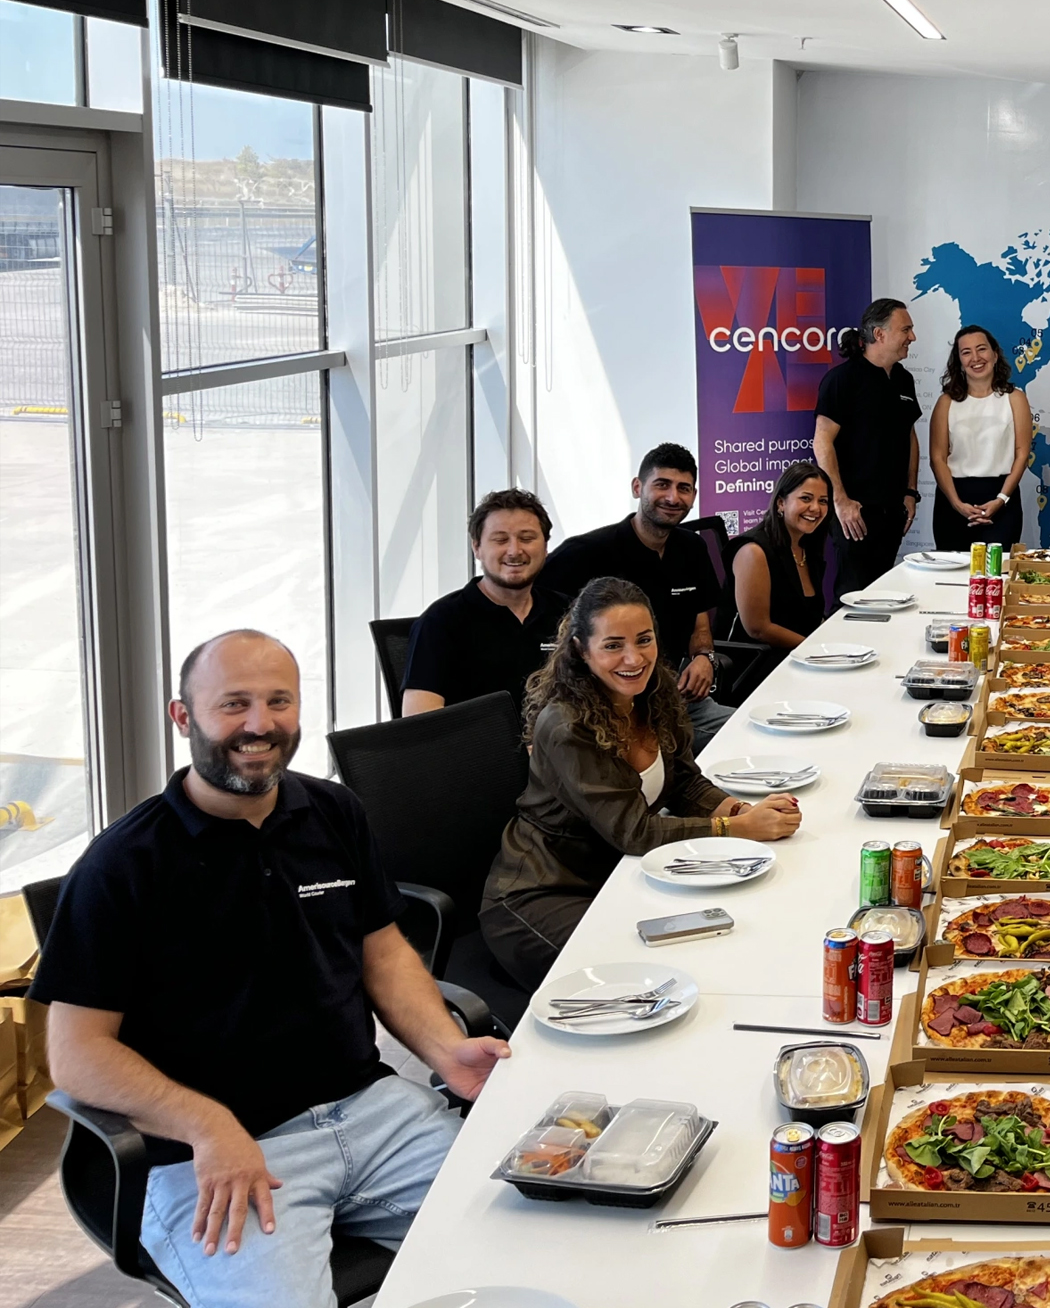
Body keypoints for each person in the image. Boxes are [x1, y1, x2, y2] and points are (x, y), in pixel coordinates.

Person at [29, 630, 510, 1308]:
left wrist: (445, 1047)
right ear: (183, 717)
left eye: (278, 700)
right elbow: (75, 1055)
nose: (260, 724)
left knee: (546, 1233)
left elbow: (383, 952)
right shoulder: (123, 866)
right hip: (217, 1153)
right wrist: (206, 1123)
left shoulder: (333, 812)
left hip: (372, 1112)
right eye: (234, 704)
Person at [480, 578, 802, 989]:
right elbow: (635, 831)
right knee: (643, 979)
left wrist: (744, 811)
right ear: (582, 650)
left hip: (612, 877)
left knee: (716, 946)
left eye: (644, 640)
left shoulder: (653, 694)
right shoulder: (567, 724)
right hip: (539, 893)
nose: (634, 657)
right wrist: (737, 829)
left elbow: (685, 783)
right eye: (613, 645)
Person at [543, 443, 734, 746]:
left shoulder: (693, 549)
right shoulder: (586, 553)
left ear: (694, 497)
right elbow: (543, 626)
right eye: (662, 485)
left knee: (752, 732)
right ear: (637, 487)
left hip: (674, 699)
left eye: (684, 488)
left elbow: (700, 623)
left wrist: (704, 657)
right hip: (610, 709)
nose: (673, 497)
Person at [401, 489, 566, 716]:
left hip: (557, 747)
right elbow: (419, 721)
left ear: (546, 547)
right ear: (476, 547)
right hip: (478, 749)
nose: (514, 551)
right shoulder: (441, 621)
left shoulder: (569, 613)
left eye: (527, 538)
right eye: (500, 540)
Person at [814, 298, 922, 597]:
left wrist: (910, 493)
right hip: (856, 512)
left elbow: (909, 436)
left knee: (884, 595)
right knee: (854, 595)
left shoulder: (903, 379)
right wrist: (841, 501)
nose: (912, 337)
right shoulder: (842, 380)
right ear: (879, 334)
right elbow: (822, 442)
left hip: (893, 511)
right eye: (906, 329)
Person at [930, 324, 1033, 550]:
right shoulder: (946, 403)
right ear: (959, 362)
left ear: (995, 355)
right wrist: (957, 504)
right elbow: (937, 458)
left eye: (981, 349)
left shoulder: (1015, 398)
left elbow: (1022, 453)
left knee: (997, 577)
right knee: (952, 579)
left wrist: (1001, 499)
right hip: (954, 500)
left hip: (1002, 499)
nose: (975, 358)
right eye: (966, 352)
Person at [731, 461, 833, 663]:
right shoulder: (753, 551)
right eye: (806, 498)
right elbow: (758, 629)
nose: (816, 508)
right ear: (781, 503)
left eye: (823, 501)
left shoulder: (808, 545)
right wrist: (817, 649)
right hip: (760, 664)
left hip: (801, 655)